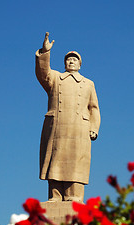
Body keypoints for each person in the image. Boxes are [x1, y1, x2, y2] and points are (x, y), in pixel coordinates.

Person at [35, 32, 101, 202]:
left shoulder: (88, 83)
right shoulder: (56, 78)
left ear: (80, 64)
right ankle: (55, 195)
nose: (71, 61)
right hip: (58, 126)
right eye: (68, 59)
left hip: (79, 128)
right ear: (64, 63)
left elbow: (94, 108)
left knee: (76, 161)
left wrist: (94, 127)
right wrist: (45, 52)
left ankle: (74, 196)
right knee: (55, 158)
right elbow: (43, 73)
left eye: (75, 60)